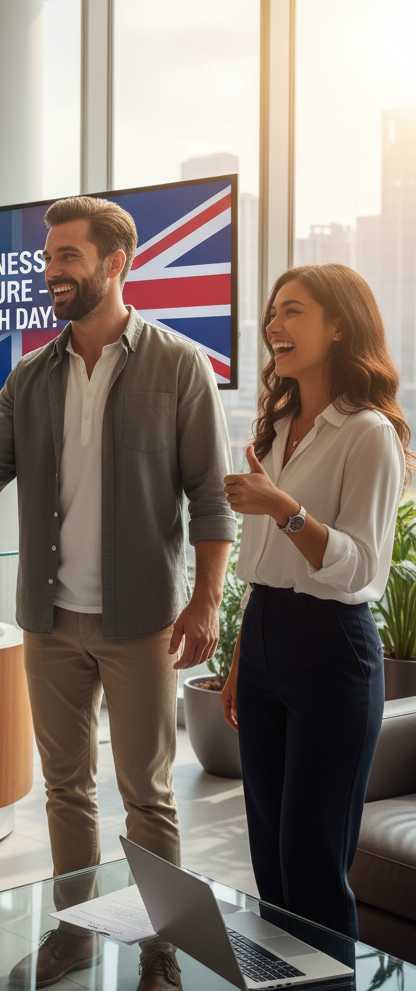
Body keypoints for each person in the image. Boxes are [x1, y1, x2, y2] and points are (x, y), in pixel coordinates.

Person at [0, 195, 237, 990]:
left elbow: (209, 497)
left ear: (115, 264)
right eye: (47, 259)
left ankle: (161, 952)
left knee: (148, 794)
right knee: (66, 790)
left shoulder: (178, 365)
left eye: (66, 257)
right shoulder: (31, 376)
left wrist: (208, 599)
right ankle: (78, 934)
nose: (50, 272)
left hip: (141, 621)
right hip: (49, 622)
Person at [221, 263, 408, 938]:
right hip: (267, 635)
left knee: (313, 864)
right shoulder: (274, 427)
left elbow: (361, 568)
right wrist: (246, 654)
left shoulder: (369, 433)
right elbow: (260, 565)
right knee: (269, 861)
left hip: (334, 646)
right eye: (272, 312)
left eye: (292, 310)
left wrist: (285, 508)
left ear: (338, 325)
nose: (274, 324)